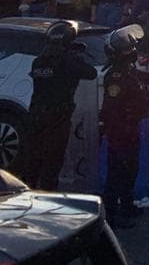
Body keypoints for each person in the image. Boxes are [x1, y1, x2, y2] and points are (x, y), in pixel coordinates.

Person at [19, 21, 97, 189]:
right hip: (57, 117)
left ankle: (28, 191)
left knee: (33, 158)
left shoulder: (39, 61)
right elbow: (91, 73)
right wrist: (75, 56)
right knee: (52, 160)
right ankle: (46, 197)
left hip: (36, 115)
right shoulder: (67, 60)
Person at [99, 25, 149, 227]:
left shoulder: (130, 73)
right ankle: (111, 215)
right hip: (120, 131)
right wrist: (121, 128)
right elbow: (113, 108)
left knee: (130, 170)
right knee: (117, 172)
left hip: (131, 128)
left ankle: (127, 206)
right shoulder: (116, 76)